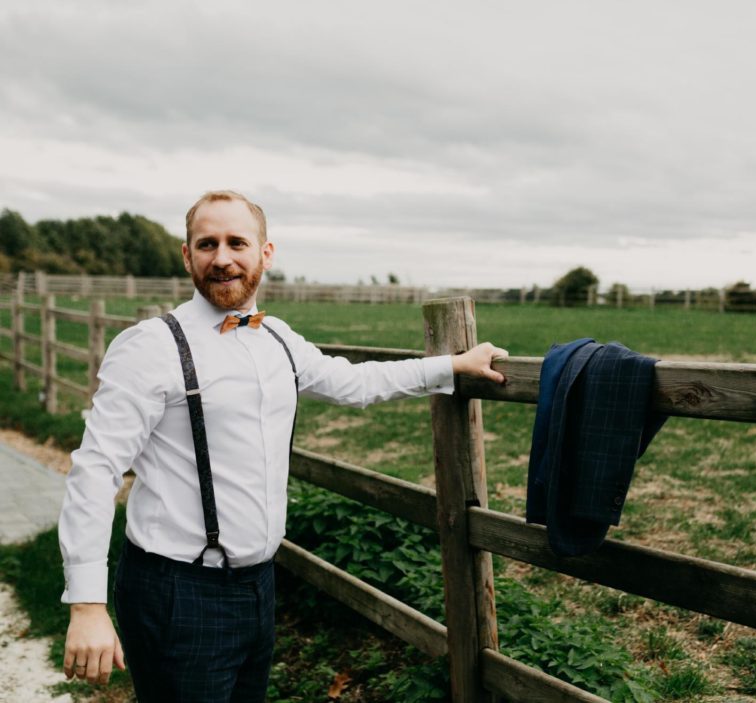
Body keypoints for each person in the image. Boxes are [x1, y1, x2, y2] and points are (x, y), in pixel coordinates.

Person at [58, 190, 507, 702]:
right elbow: (95, 470)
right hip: (179, 593)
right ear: (187, 256)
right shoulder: (151, 346)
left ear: (265, 254)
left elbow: (351, 383)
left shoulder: (277, 338)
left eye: (236, 242)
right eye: (207, 244)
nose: (222, 258)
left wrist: (451, 366)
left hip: (258, 587)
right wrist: (87, 605)